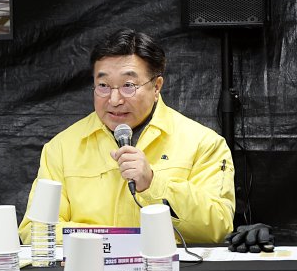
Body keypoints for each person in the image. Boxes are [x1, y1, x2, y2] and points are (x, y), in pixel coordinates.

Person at [18, 28, 235, 245]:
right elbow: (36, 230)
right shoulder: (62, 147)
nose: (114, 100)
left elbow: (218, 227)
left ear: (156, 86)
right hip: (89, 265)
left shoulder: (203, 143)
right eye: (103, 86)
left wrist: (153, 183)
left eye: (128, 86)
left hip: (165, 266)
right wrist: (115, 242)